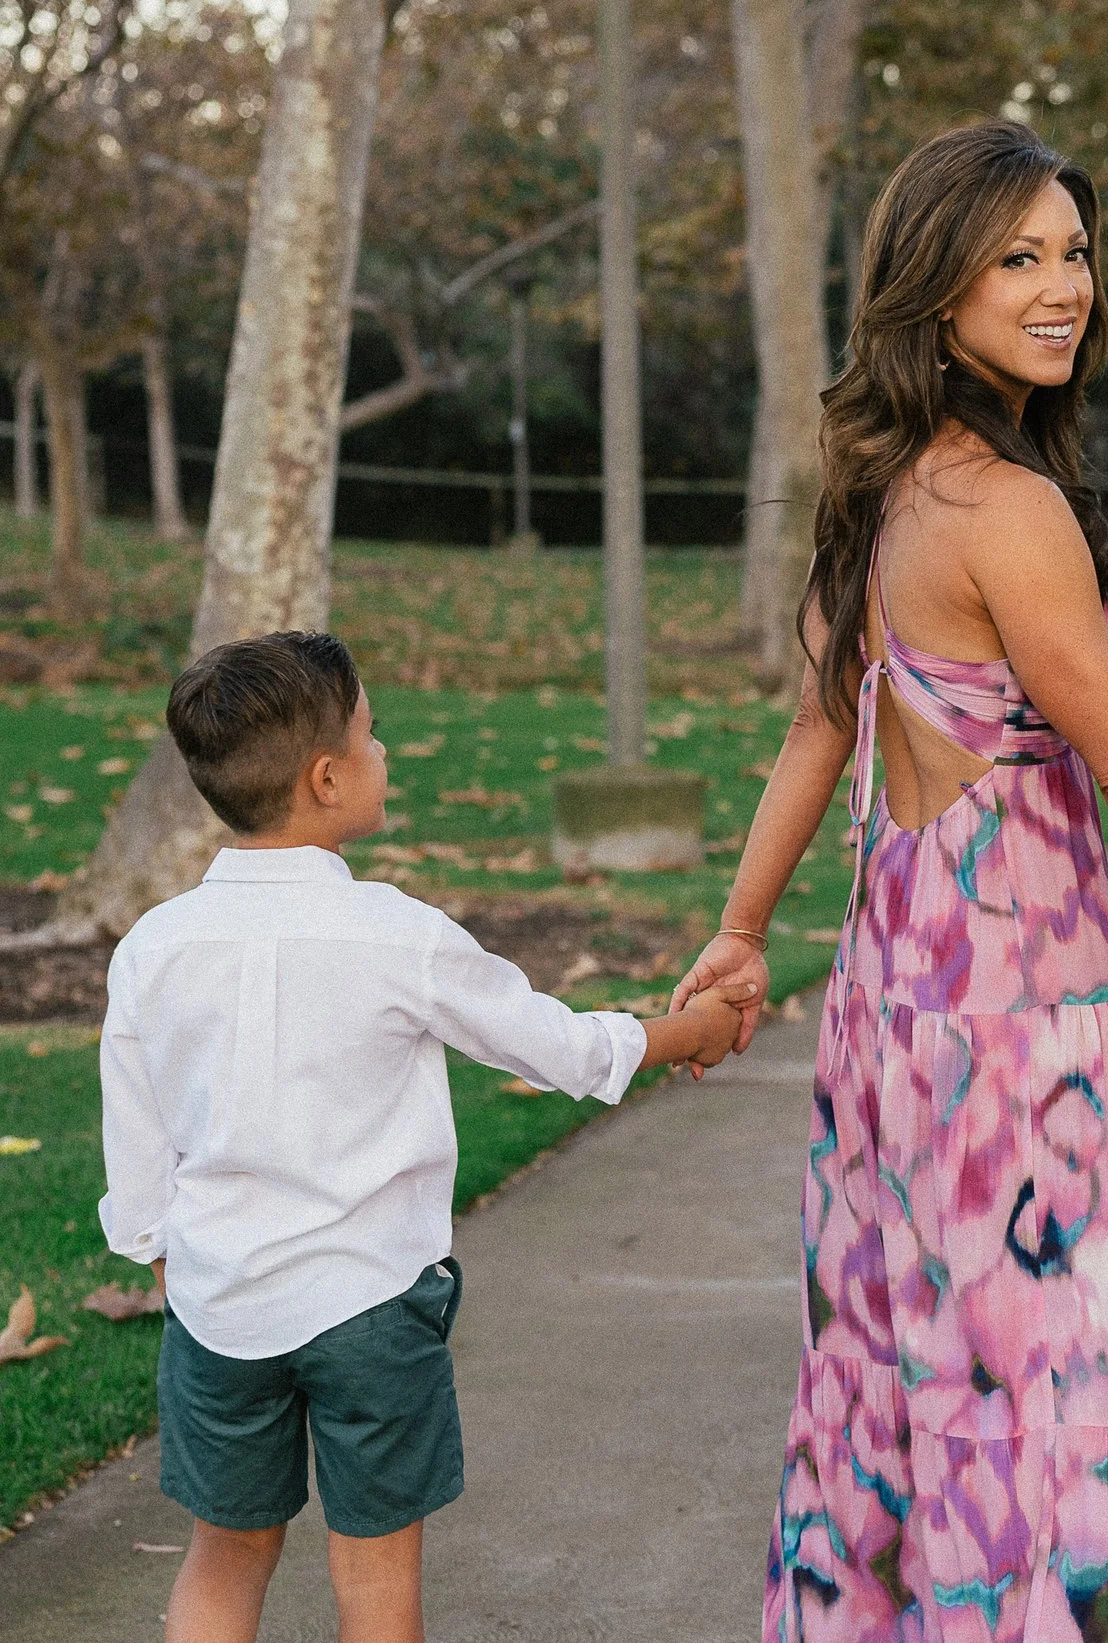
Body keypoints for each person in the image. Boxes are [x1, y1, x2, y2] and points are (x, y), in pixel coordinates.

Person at [665, 119, 1108, 1643]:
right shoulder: (1003, 507)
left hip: (889, 1012)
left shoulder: (881, 486)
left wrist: (743, 935)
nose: (1063, 286)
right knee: (1052, 1386)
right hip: (1023, 1036)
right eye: (1020, 258)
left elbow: (815, 720)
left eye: (1074, 252)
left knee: (895, 1371)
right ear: (936, 284)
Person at [96, 630, 748, 1643]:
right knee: (374, 1570)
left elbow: (136, 1161)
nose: (385, 751)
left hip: (217, 1311)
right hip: (369, 1308)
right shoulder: (397, 934)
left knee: (223, 1551)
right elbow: (558, 1050)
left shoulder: (151, 950)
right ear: (325, 777)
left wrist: (169, 1254)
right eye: (372, 733)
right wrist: (691, 1032)